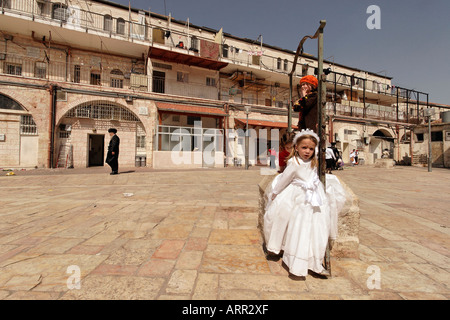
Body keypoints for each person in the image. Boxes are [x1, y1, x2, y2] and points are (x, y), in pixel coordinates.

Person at [263, 129, 347, 279]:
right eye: (304, 148)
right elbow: (284, 179)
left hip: (315, 196)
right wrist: (275, 193)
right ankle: (296, 260)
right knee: (298, 226)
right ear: (296, 147)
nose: (307, 151)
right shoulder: (294, 162)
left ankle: (314, 260)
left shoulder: (314, 162)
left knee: (316, 227)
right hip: (299, 196)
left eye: (310, 148)